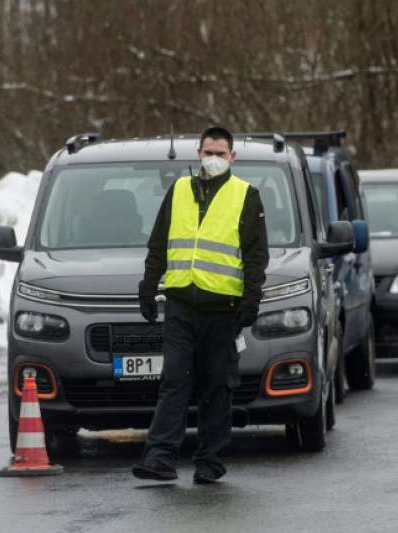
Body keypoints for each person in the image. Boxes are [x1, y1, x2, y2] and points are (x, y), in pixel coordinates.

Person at [132, 127, 269, 484]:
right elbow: (159, 243)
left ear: (232, 157)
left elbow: (256, 258)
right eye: (208, 152)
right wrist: (148, 286)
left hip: (223, 308)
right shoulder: (178, 191)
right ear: (198, 153)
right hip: (180, 304)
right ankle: (159, 457)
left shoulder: (246, 196)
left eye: (221, 153)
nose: (214, 159)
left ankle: (209, 460)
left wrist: (250, 301)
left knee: (215, 385)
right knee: (175, 380)